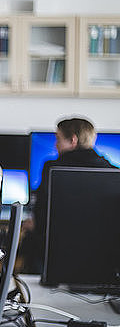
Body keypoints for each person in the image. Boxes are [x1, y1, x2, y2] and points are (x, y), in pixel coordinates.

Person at [21, 117, 117, 273]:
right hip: (101, 260)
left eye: (58, 138)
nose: (55, 144)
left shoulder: (52, 168)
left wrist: (34, 224)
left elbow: (42, 216)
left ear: (73, 140)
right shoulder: (113, 171)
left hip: (54, 255)